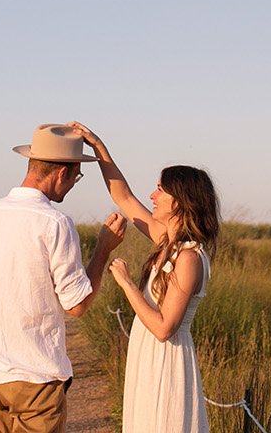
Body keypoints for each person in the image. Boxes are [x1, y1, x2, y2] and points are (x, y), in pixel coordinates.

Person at [0, 123, 128, 433]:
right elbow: (77, 305)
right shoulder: (55, 222)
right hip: (36, 381)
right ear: (63, 173)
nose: (73, 184)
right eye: (76, 177)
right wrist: (103, 249)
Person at [67, 122, 220, 433]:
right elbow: (123, 196)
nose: (152, 195)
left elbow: (164, 329)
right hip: (147, 356)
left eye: (160, 189)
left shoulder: (189, 258)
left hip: (167, 360)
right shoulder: (165, 240)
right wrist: (98, 147)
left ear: (180, 200)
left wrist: (125, 283)